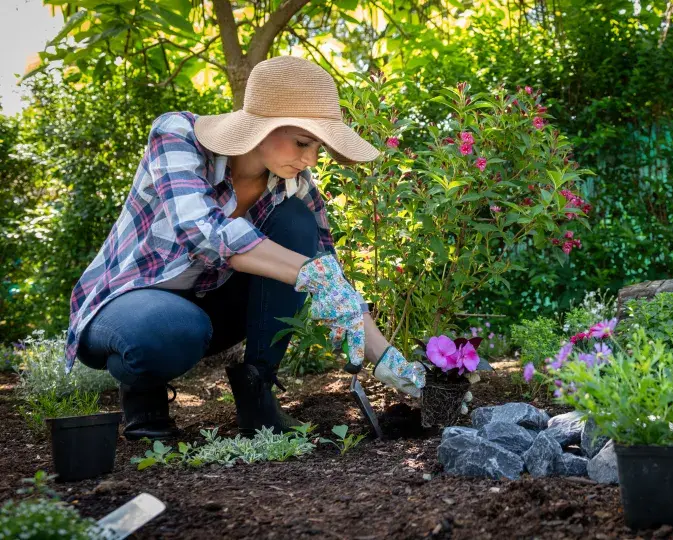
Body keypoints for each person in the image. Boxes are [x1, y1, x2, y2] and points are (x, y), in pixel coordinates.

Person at [65, 56, 437, 440]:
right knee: (173, 329)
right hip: (128, 303)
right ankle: (143, 398)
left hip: (210, 307)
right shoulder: (177, 134)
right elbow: (201, 233)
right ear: (262, 127)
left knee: (296, 221)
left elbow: (331, 277)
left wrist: (391, 363)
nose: (310, 159)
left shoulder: (293, 186)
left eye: (318, 148)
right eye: (302, 142)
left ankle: (258, 393)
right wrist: (311, 274)